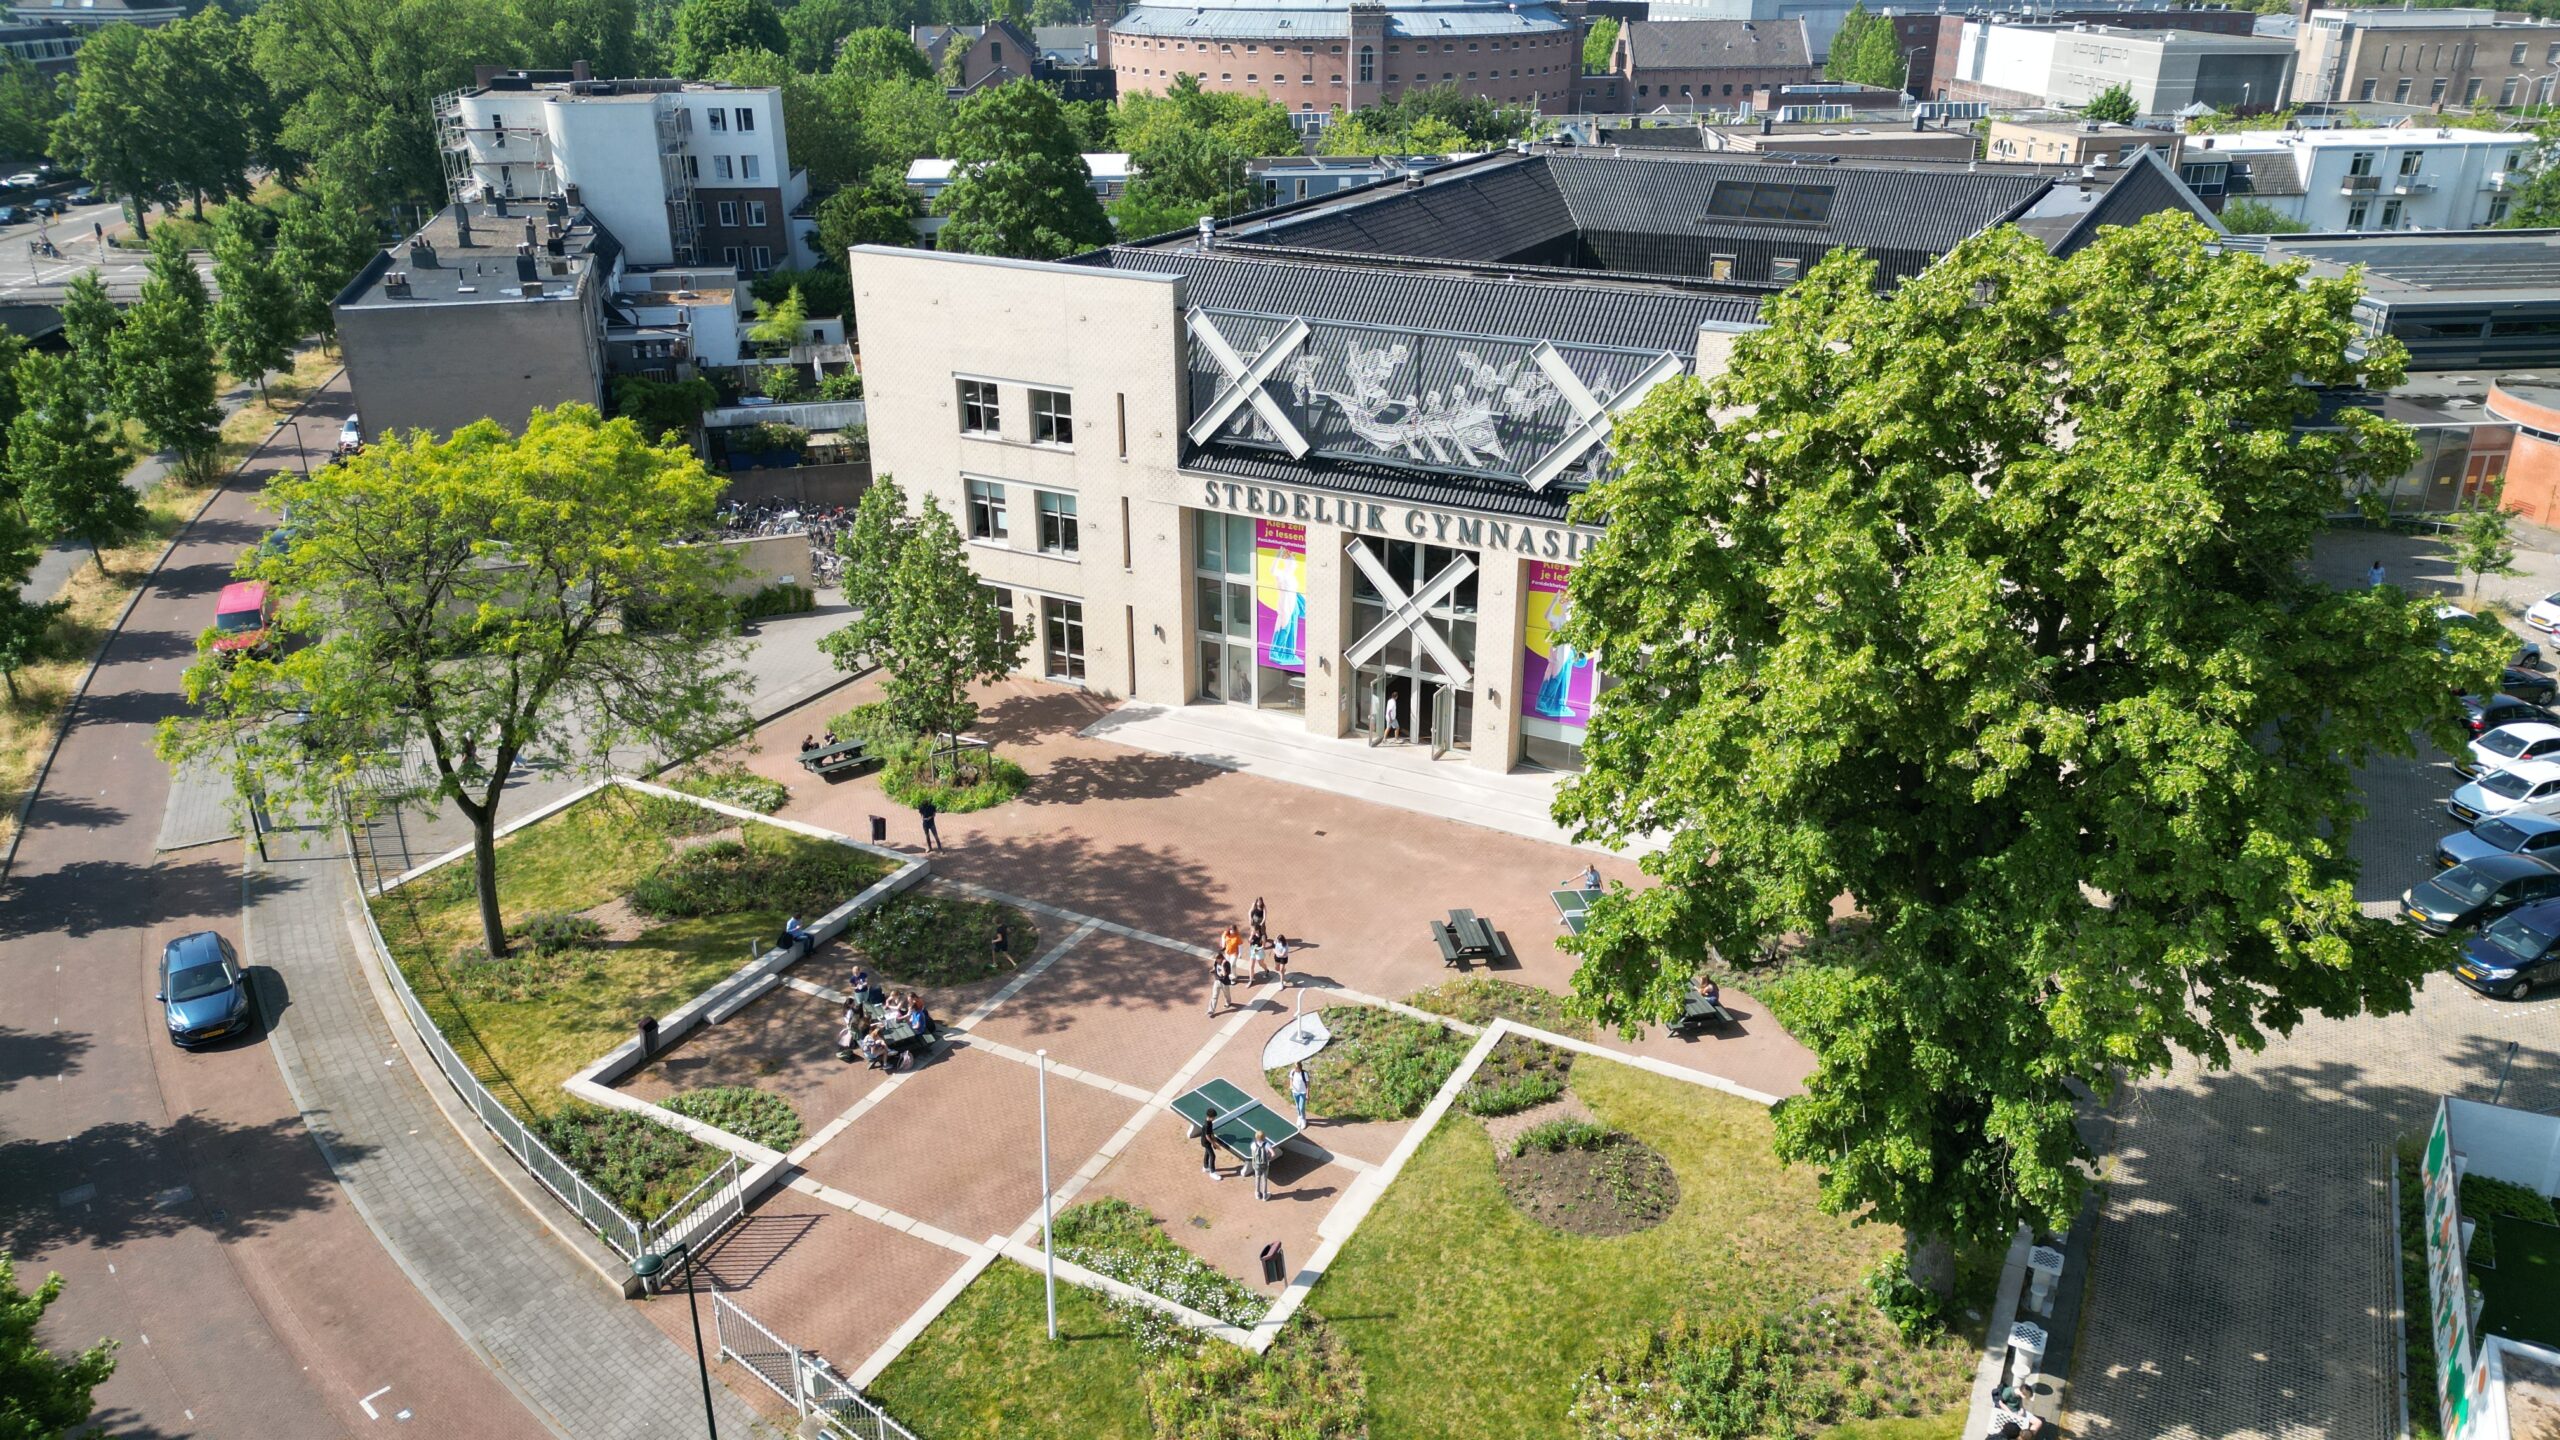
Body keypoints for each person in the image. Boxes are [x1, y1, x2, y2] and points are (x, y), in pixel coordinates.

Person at [1195, 1105, 1224, 1178]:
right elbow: (1207, 1136)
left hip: (1206, 1141)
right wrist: (1214, 1143)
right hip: (1205, 1142)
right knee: (1213, 1156)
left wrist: (1214, 1139)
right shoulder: (1207, 1125)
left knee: (1207, 1153)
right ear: (1211, 1117)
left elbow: (1211, 1132)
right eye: (1214, 1117)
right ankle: (1212, 1172)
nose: (1214, 1118)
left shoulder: (1210, 1122)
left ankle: (1205, 1167)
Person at [1250, 1130, 1275, 1201]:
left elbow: (1253, 1155)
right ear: (1264, 1137)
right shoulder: (1267, 1144)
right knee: (1264, 1179)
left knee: (1257, 1178)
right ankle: (1265, 1195)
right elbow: (1273, 1154)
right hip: (1265, 1165)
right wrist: (1268, 1158)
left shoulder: (1253, 1145)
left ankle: (1257, 1194)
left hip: (1256, 1165)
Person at [1288, 1060, 1310, 1127]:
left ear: (1300, 1067)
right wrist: (1291, 1085)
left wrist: (1307, 1094)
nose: (1295, 1069)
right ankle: (1299, 1117)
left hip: (1302, 1093)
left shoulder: (1304, 1074)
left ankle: (1303, 1119)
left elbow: (1308, 1085)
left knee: (1301, 1107)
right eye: (1295, 1068)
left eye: (1297, 1068)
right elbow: (1291, 1079)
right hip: (1295, 1092)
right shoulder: (1293, 1072)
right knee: (1297, 1106)